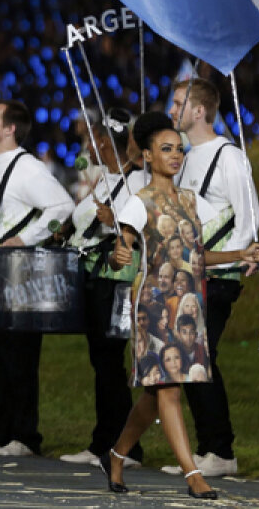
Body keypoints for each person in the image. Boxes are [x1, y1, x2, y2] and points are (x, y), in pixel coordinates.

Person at [100, 111, 259, 500]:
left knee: (155, 395)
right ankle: (193, 475)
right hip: (155, 306)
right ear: (148, 156)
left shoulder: (192, 201)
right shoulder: (139, 202)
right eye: (165, 149)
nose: (175, 155)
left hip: (189, 304)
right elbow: (119, 249)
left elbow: (199, 256)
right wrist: (117, 257)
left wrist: (242, 252)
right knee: (170, 389)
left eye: (179, 149)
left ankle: (116, 454)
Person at [0, 99, 74, 458]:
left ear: (10, 129)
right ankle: (0, 432)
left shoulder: (27, 168)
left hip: (19, 273)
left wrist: (26, 238)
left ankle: (24, 437)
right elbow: (8, 211)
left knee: (19, 355)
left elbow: (63, 207)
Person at [168, 79, 259, 477]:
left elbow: (251, 218)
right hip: (189, 274)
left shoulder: (229, 157)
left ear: (199, 110)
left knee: (199, 357)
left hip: (219, 274)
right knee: (194, 359)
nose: (171, 109)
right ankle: (212, 449)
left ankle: (220, 451)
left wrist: (233, 259)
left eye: (177, 103)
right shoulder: (187, 157)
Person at [58, 107, 144, 469]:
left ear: (105, 143)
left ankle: (124, 447)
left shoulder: (138, 181)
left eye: (91, 140)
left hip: (118, 281)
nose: (86, 147)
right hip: (97, 277)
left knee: (109, 362)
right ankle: (102, 442)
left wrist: (113, 224)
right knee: (101, 362)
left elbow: (139, 228)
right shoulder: (107, 178)